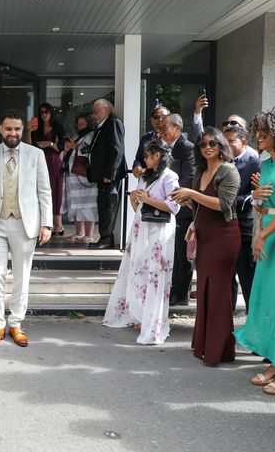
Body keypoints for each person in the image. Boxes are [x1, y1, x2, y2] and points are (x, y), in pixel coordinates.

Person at [0, 109, 53, 348]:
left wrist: (46, 223)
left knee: (21, 276)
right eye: (8, 128)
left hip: (25, 223)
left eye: (17, 129)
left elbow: (44, 191)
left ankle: (16, 322)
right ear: (1, 129)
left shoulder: (36, 155)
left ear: (23, 129)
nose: (13, 133)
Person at [234, 108, 275, 396]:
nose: (258, 134)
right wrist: (257, 200)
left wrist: (263, 236)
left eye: (264, 131)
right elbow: (267, 203)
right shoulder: (267, 162)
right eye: (257, 129)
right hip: (270, 236)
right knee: (269, 302)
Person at [172, 127, 240, 366]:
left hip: (223, 238)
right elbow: (200, 205)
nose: (207, 147)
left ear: (221, 144)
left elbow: (224, 204)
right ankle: (204, 346)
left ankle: (218, 351)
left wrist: (192, 193)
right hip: (204, 236)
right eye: (202, 144)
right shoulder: (200, 171)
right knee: (204, 291)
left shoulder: (228, 170)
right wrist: (187, 199)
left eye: (212, 143)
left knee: (219, 293)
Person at [102, 139, 180, 344]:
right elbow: (138, 205)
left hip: (160, 230)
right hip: (142, 226)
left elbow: (174, 207)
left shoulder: (170, 177)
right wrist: (135, 199)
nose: (144, 159)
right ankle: (138, 313)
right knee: (138, 269)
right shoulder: (146, 175)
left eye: (147, 155)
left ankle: (152, 320)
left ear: (158, 156)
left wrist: (146, 199)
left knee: (155, 272)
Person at [157, 114, 196, 307]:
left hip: (183, 208)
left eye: (165, 127)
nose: (161, 130)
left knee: (183, 254)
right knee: (170, 252)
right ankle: (172, 289)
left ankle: (182, 293)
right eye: (160, 127)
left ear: (178, 128)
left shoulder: (188, 148)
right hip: (166, 208)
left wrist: (171, 197)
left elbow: (188, 178)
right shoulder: (162, 148)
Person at [223, 124, 261, 311]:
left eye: (231, 141)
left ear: (244, 142)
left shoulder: (254, 163)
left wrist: (223, 202)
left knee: (247, 278)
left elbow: (255, 197)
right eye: (225, 141)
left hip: (243, 228)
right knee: (226, 278)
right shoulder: (221, 162)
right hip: (222, 228)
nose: (226, 145)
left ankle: (252, 318)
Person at [87, 99, 128, 249]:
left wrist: (110, 173)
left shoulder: (113, 123)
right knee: (104, 206)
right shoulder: (104, 124)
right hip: (103, 175)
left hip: (109, 176)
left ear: (106, 110)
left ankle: (105, 239)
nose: (94, 114)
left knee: (108, 206)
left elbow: (117, 150)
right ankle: (106, 237)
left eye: (96, 111)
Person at [61, 113, 98, 244]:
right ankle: (79, 233)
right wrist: (67, 149)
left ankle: (89, 235)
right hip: (73, 176)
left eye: (83, 124)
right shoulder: (78, 136)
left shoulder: (93, 135)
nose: (80, 126)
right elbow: (68, 152)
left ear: (89, 123)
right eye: (78, 124)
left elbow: (92, 152)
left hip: (85, 176)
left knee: (88, 206)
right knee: (76, 206)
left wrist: (75, 147)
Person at [31, 103, 66, 235]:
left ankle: (58, 224)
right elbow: (31, 146)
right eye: (41, 112)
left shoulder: (58, 127)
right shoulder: (36, 129)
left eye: (47, 112)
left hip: (54, 160)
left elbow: (62, 147)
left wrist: (50, 144)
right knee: (39, 189)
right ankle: (43, 224)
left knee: (55, 190)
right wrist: (29, 131)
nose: (44, 114)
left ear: (51, 113)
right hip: (40, 160)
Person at [132, 105, 170, 179]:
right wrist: (137, 166)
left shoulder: (172, 137)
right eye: (156, 117)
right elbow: (139, 159)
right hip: (147, 180)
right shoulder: (146, 137)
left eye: (163, 117)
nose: (160, 119)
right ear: (152, 120)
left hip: (165, 180)